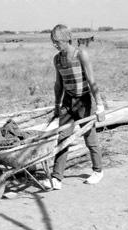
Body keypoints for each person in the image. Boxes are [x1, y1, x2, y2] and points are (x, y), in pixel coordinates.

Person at [41, 24, 106, 190]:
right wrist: (57, 105)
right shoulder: (57, 59)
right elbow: (59, 84)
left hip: (84, 101)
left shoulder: (81, 54)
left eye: (57, 41)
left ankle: (98, 170)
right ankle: (57, 178)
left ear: (66, 39)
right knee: (63, 138)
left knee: (90, 137)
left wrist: (99, 105)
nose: (55, 44)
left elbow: (92, 81)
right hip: (68, 102)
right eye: (53, 41)